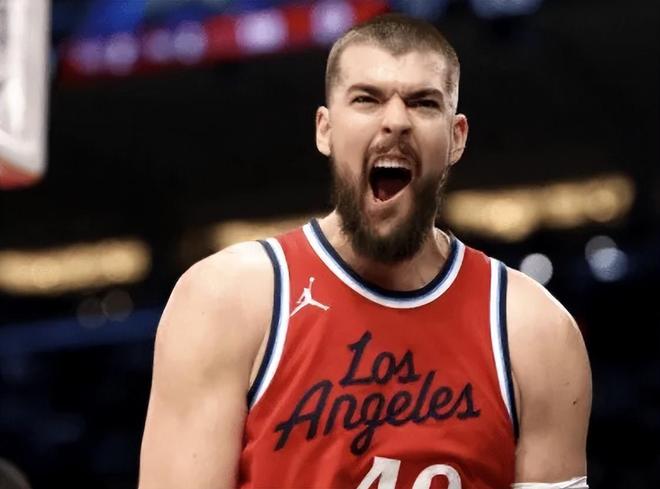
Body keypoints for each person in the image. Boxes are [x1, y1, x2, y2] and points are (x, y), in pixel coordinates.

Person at [138, 13, 591, 489]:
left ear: (456, 138)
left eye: (422, 103)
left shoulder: (535, 332)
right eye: (367, 99)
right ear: (325, 130)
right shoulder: (225, 301)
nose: (395, 121)